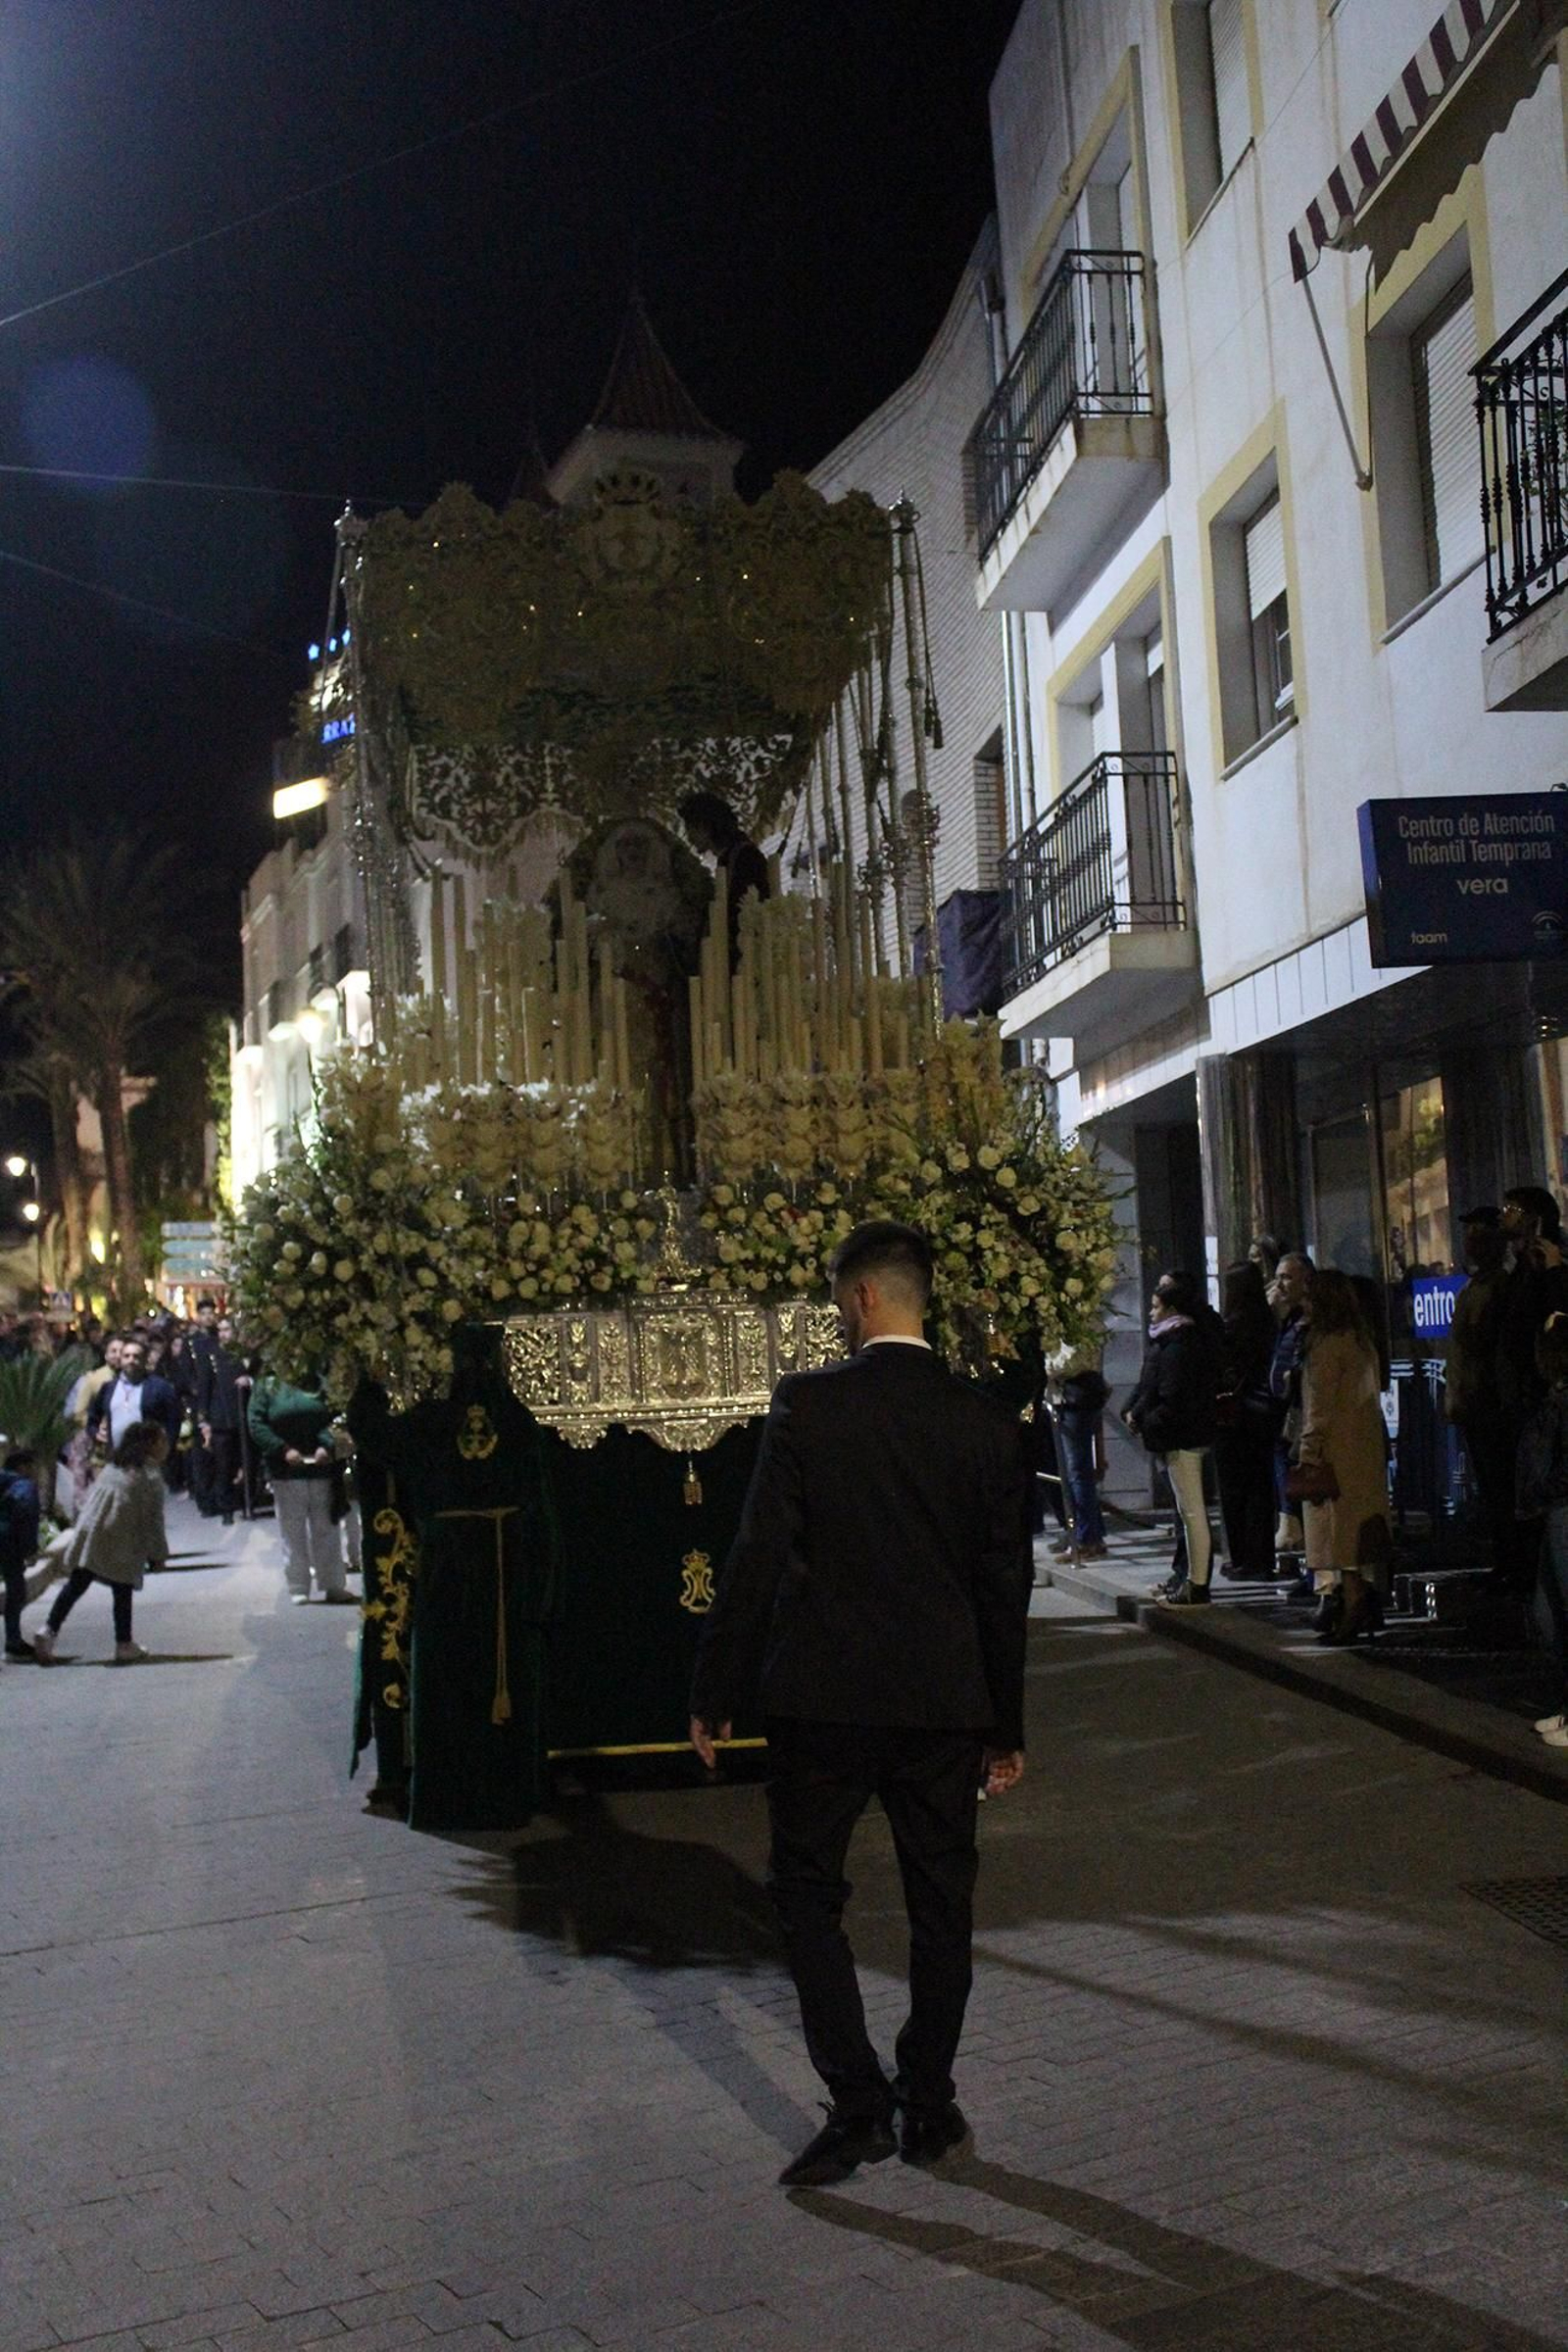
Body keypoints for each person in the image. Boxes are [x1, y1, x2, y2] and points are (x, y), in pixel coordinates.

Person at [689, 1219, 1032, 2187]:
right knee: (940, 1909)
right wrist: (1004, 1728)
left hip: (823, 1698)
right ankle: (929, 2099)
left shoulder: (809, 1406)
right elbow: (1002, 1587)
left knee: (807, 1899)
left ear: (862, 1300)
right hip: (939, 1702)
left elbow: (759, 1555)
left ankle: (855, 2104)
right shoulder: (984, 1420)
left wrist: (714, 1687)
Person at [1294, 1270, 1393, 1646]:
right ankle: (1361, 1606)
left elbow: (1318, 1409)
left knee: (1342, 1536)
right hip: (1363, 1448)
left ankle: (1352, 1608)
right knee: (1361, 1532)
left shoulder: (1326, 1346)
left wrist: (1308, 1452)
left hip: (1335, 1452)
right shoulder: (1362, 1341)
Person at [1124, 1269, 1225, 1607]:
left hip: (1183, 1436)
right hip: (1181, 1433)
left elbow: (1173, 1398)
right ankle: (1190, 1579)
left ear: (1171, 1310)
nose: (1151, 1313)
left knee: (1192, 1511)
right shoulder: (1172, 1341)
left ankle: (1197, 1584)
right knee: (1187, 1511)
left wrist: (1147, 1422)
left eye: (1155, 1307)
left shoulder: (1180, 1345)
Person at [33, 1421, 170, 1665]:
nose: (165, 1446)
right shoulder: (149, 1476)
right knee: (123, 1588)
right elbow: (153, 1521)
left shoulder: (115, 1466)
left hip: (94, 1532)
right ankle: (124, 1643)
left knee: (77, 1582)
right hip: (121, 1539)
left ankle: (48, 1630)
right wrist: (158, 1555)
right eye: (161, 1440)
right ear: (150, 1445)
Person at [247, 1369, 354, 1602]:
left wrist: (327, 1444)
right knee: (292, 1529)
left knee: (327, 1527)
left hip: (322, 1467)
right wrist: (282, 1449)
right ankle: (298, 1586)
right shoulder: (267, 1386)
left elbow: (337, 1416)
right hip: (286, 1470)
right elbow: (256, 1423)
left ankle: (333, 1583)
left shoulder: (321, 1382)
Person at [1513, 1312, 1568, 1747]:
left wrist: (1546, 1489)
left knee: (1559, 1609)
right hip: (1555, 1508)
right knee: (1550, 1613)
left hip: (1563, 1508)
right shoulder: (1554, 1396)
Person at [1214, 1260, 1278, 1582]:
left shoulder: (1234, 1326)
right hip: (1263, 1414)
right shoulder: (1267, 1321)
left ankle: (1244, 1558)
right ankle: (1262, 1557)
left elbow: (1225, 1369)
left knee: (1237, 1492)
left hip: (1237, 1417)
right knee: (1260, 1489)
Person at [678, 788, 770, 967]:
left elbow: (743, 913)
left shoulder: (744, 856)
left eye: (692, 828)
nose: (689, 837)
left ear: (706, 825)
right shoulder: (728, 859)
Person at [1267, 1251, 1314, 1586]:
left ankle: (1314, 1569)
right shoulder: (1287, 1316)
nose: (1280, 1284)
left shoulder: (1310, 1319)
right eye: (1278, 1276)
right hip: (1286, 1412)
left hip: (1302, 1414)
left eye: (1287, 1277)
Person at [1044, 1342, 1108, 1559]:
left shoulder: (1076, 1322)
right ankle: (1089, 1533)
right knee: (1076, 1472)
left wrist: (1045, 1367)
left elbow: (1072, 1360)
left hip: (1075, 1398)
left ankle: (1085, 1538)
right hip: (1069, 1398)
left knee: (1077, 1472)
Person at [86, 1334, 182, 1460]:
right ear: (120, 1360)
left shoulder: (160, 1388)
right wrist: (96, 1433)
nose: (131, 1360)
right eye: (127, 1356)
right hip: (115, 1459)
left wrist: (165, 1451)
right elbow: (93, 1418)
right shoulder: (109, 1388)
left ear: (145, 1360)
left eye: (136, 1357)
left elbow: (174, 1421)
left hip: (148, 1462)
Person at [195, 1316, 247, 1524]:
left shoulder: (241, 1355)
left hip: (240, 1415)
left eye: (228, 1329)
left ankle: (244, 1500)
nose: (224, 1334)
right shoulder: (212, 1356)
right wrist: (204, 1418)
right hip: (220, 1418)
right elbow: (205, 1386)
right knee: (223, 1464)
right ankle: (226, 1506)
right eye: (221, 1330)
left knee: (242, 1461)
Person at [1, 1447, 43, 1660]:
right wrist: (30, 1550)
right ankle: (13, 1642)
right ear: (22, 1467)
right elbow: (26, 1514)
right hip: (9, 1545)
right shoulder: (24, 1486)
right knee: (16, 1593)